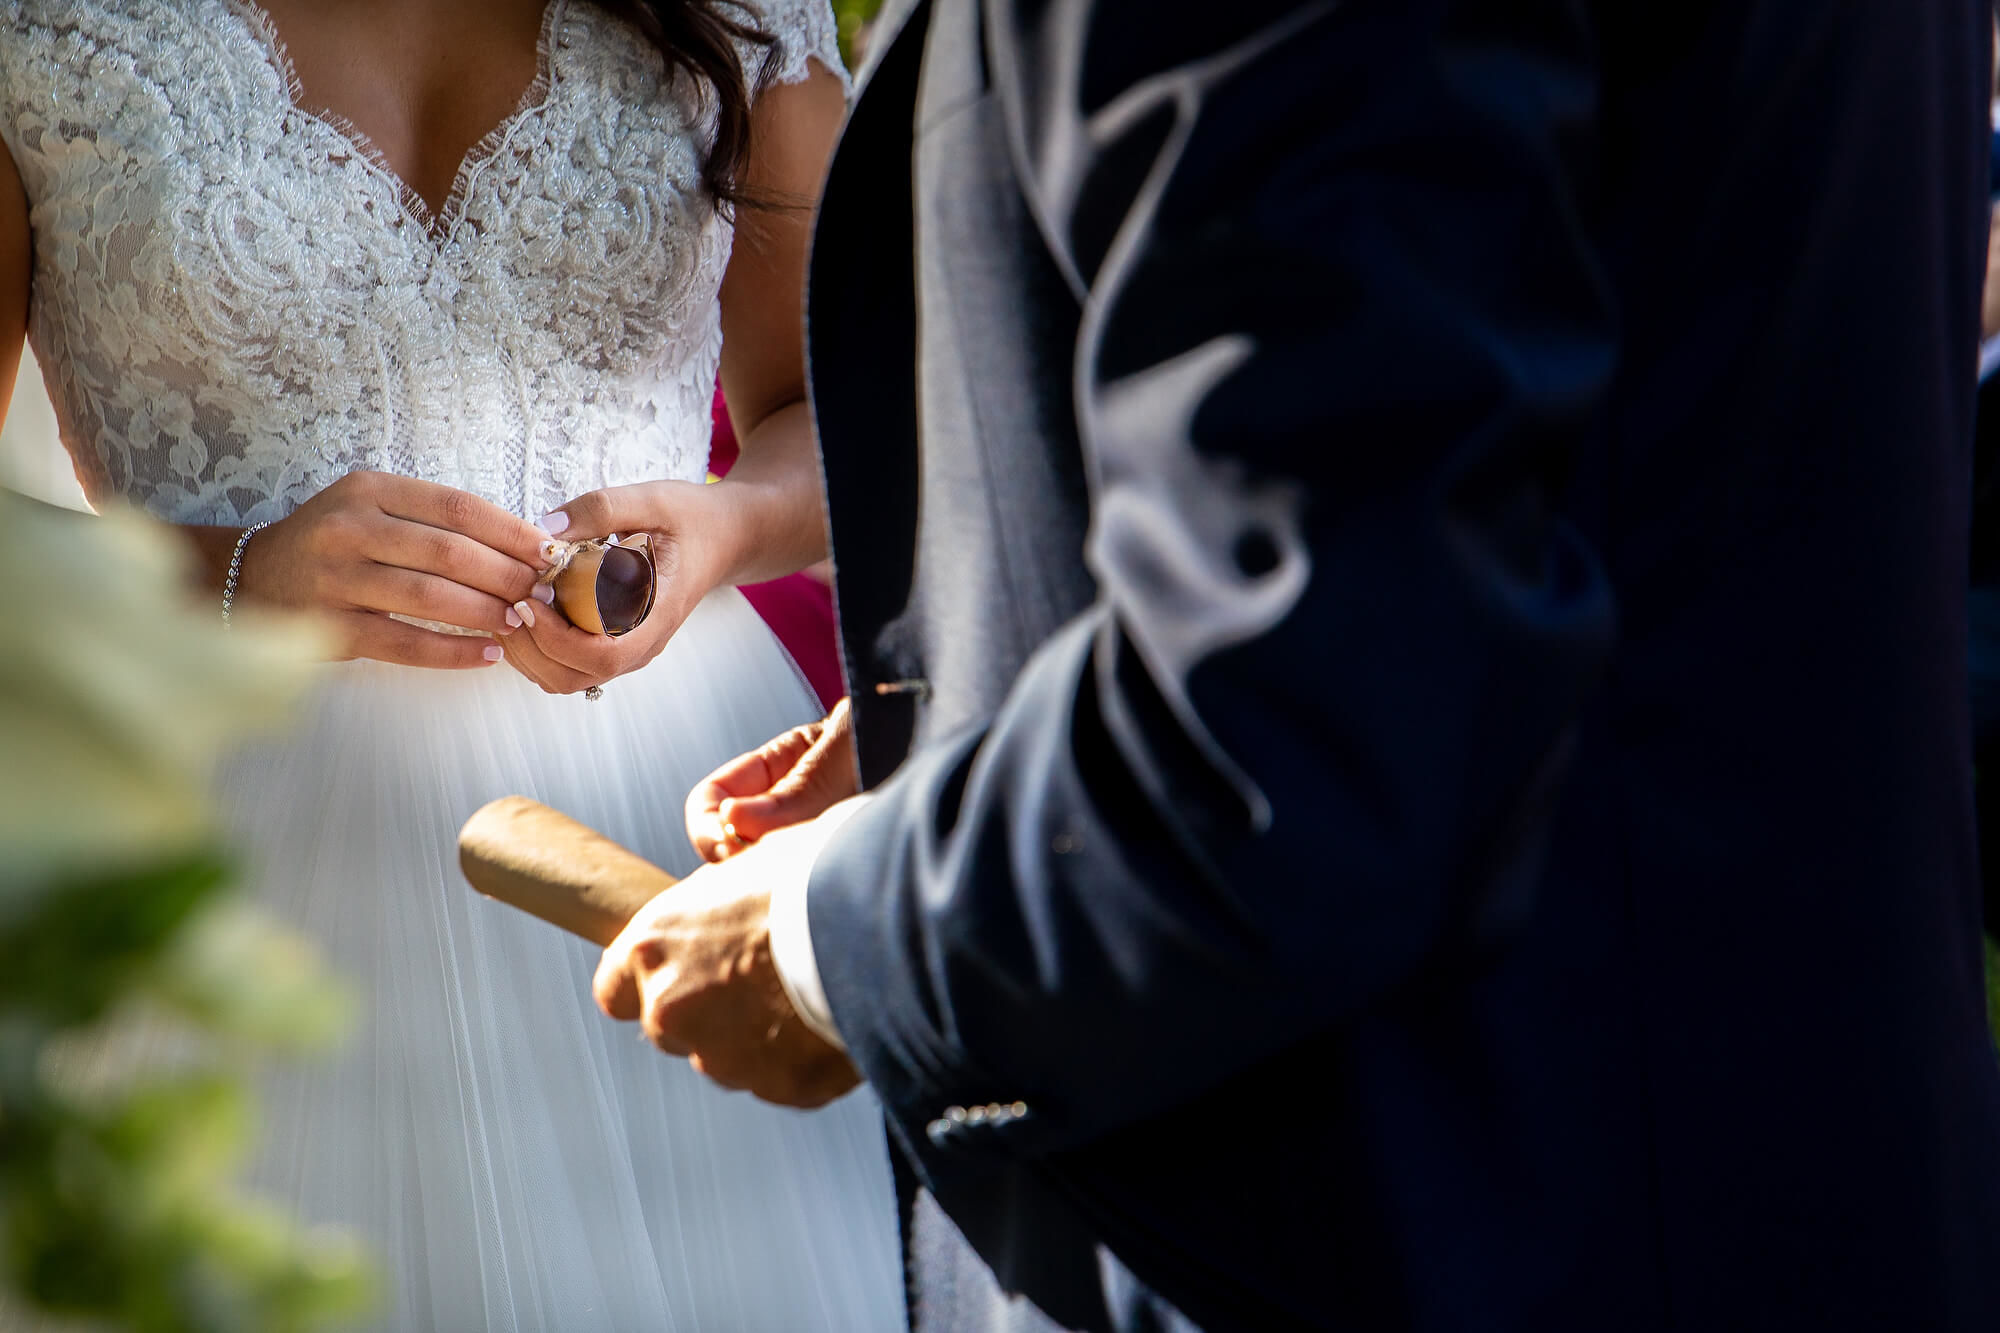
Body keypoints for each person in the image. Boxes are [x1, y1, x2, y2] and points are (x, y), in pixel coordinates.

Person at [589, 0, 2000, 1328]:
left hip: (1405, 1220)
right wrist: (991, 674)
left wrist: (836, 939)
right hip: (1777, 1166)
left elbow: (1300, 719)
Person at [0, 2, 901, 1328]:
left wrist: (726, 520)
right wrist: (232, 570)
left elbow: (854, 412)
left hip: (666, 832)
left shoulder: (739, 11)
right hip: (231, 859)